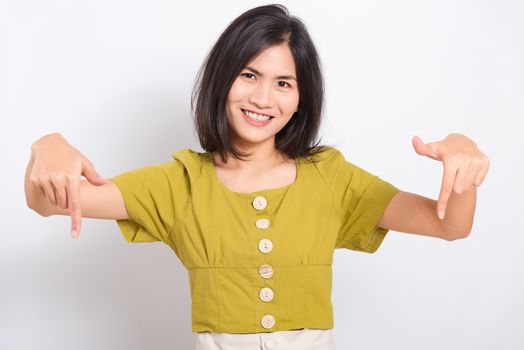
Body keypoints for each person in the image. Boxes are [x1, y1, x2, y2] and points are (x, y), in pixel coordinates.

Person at [24, 4, 490, 350]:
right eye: (249, 74)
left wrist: (463, 164)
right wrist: (45, 146)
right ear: (222, 79)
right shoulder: (179, 182)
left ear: (301, 97)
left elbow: (449, 224)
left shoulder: (331, 178)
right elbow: (49, 201)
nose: (263, 98)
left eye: (283, 83)